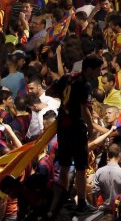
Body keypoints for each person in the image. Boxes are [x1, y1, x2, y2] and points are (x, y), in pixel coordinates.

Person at [48, 55, 103, 213]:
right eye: (98, 69)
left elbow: (50, 91)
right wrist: (91, 128)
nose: (99, 73)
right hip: (76, 129)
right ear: (89, 69)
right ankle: (82, 203)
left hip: (62, 127)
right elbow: (84, 109)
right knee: (80, 167)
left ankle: (63, 200)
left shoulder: (67, 77)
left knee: (64, 166)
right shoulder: (84, 85)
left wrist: (64, 101)